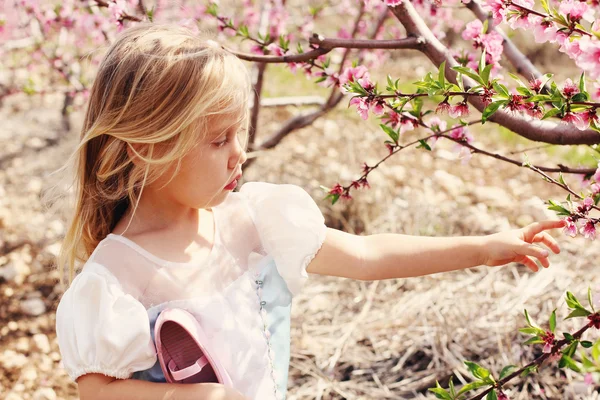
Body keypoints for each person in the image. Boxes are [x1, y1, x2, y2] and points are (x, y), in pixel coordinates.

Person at [54, 22, 565, 400]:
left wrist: (484, 248)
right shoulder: (116, 277)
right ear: (146, 147)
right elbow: (96, 387)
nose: (240, 153)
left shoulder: (249, 221)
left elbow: (367, 256)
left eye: (240, 134)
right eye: (218, 140)